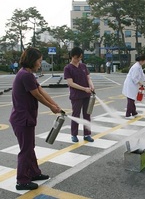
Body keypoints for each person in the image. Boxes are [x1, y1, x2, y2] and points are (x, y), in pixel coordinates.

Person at [9, 48, 61, 191]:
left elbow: (41, 90)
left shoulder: (27, 74)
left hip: (25, 117)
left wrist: (55, 104)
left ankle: (33, 173)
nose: (40, 64)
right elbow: (37, 95)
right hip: (22, 119)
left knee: (29, 148)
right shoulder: (26, 75)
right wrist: (51, 107)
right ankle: (22, 180)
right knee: (26, 150)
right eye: (39, 61)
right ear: (32, 61)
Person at [64, 47, 95, 143]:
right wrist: (84, 89)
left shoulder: (83, 66)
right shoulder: (68, 68)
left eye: (80, 58)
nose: (79, 60)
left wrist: (91, 85)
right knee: (76, 115)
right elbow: (70, 83)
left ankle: (87, 134)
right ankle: (74, 134)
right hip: (76, 96)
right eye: (77, 57)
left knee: (87, 114)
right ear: (72, 56)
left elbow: (88, 78)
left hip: (87, 95)